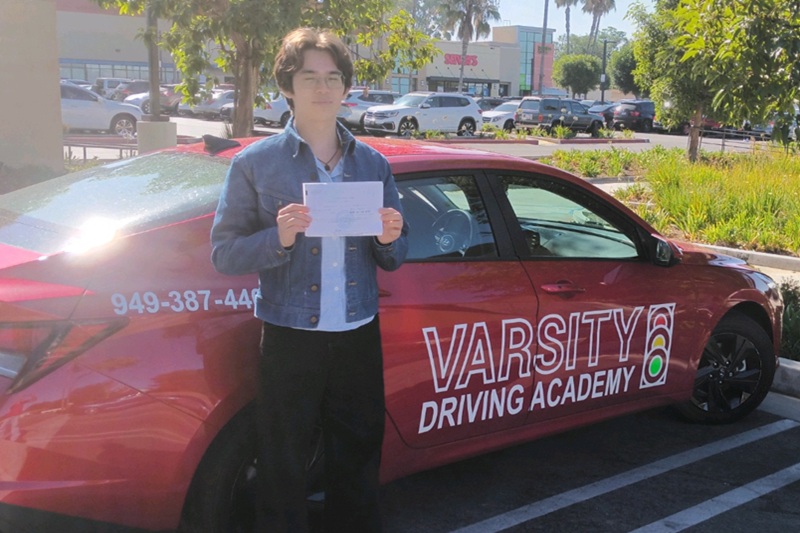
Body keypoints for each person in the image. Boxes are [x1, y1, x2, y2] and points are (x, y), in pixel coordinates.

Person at [210, 27, 408, 532]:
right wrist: (278, 238)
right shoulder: (255, 164)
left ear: (345, 88)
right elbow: (224, 253)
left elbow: (395, 257)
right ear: (287, 87)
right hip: (289, 336)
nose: (323, 88)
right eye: (310, 77)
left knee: (358, 459)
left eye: (333, 77)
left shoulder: (373, 164)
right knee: (282, 461)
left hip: (357, 334)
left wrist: (389, 236)